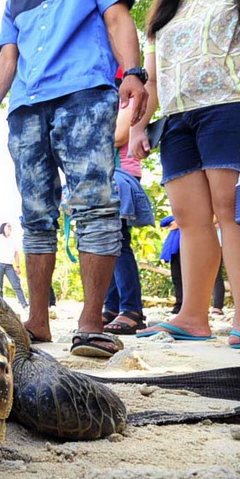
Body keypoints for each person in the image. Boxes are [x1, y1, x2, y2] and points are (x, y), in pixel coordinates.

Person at [0, 0, 148, 358]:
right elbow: (7, 59)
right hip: (27, 108)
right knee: (35, 213)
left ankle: (91, 322)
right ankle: (37, 320)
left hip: (84, 95)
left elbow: (116, 18)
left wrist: (133, 72)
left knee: (94, 202)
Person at [132, 0, 240, 348]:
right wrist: (137, 128)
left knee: (234, 212)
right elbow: (150, 78)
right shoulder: (164, 14)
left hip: (234, 107)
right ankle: (191, 317)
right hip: (177, 120)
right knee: (188, 220)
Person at [102, 89, 155, 335]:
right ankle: (113, 307)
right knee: (106, 241)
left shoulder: (130, 98)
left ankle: (132, 309)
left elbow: (118, 136)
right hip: (105, 175)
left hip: (120, 174)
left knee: (118, 242)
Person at [0, 223, 28, 308]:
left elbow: (16, 253)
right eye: (8, 226)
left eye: (10, 226)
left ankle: (24, 304)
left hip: (9, 266)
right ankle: (0, 306)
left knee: (16, 284)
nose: (10, 227)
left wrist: (18, 266)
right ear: (3, 227)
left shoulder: (12, 240)